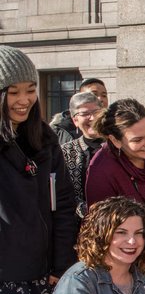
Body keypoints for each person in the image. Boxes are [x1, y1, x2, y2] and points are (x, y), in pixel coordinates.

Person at [0, 45, 77, 294]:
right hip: (4, 270)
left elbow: (63, 205)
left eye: (31, 89)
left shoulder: (44, 139)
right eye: (13, 91)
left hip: (37, 272)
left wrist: (60, 262)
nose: (24, 99)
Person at [86, 99, 145, 270]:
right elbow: (104, 233)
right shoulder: (101, 169)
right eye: (138, 139)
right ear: (115, 141)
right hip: (126, 263)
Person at [60, 91, 104, 220]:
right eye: (85, 114)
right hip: (79, 225)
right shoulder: (66, 151)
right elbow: (64, 193)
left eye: (96, 112)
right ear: (75, 120)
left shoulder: (119, 145)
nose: (92, 118)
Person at [50, 78, 109, 145]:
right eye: (94, 95)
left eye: (104, 95)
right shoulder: (65, 131)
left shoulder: (114, 126)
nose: (100, 99)